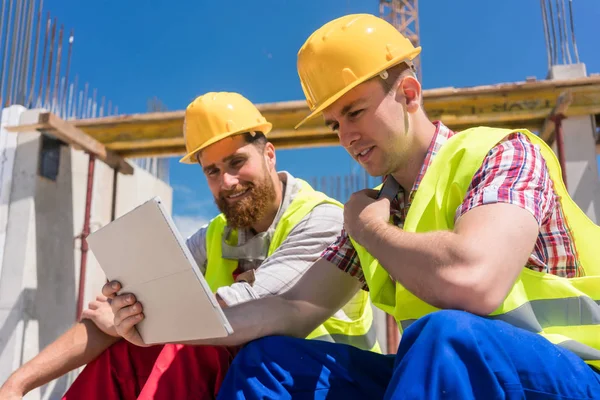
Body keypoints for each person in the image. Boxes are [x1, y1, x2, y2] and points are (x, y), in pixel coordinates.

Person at [106, 13, 600, 399]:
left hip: (568, 375)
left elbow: (475, 282)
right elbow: (292, 307)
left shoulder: (503, 153)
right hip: (447, 372)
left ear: (408, 92)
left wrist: (373, 232)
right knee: (270, 361)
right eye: (335, 124)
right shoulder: (376, 210)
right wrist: (165, 326)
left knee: (444, 335)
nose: (346, 136)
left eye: (355, 112)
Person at [0, 92, 379, 400]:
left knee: (193, 344)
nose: (227, 181)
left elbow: (249, 312)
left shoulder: (322, 219)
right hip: (251, 377)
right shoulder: (215, 235)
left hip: (324, 379)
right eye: (212, 171)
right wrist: (17, 385)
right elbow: (111, 321)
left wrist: (142, 316)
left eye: (236, 162)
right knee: (132, 346)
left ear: (269, 154)